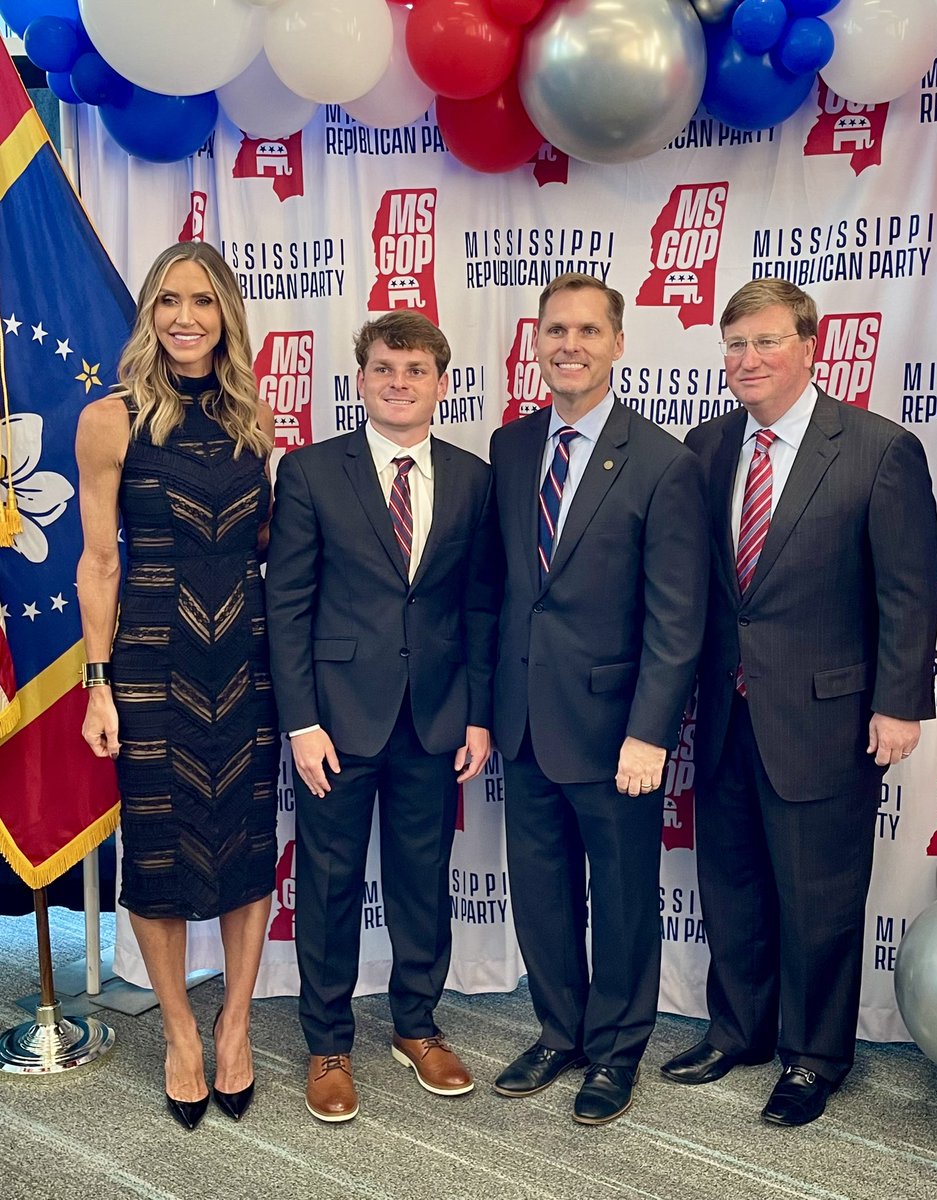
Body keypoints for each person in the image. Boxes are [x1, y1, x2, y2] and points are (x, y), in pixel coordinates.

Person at [661, 278, 937, 1126]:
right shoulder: (704, 448)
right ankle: (738, 1030)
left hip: (827, 716)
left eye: (767, 342)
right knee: (733, 882)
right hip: (726, 714)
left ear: (809, 348)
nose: (747, 360)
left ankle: (815, 1055)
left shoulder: (877, 449)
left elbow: (908, 589)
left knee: (818, 896)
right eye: (734, 344)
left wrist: (899, 705)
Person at [264, 311, 498, 1124]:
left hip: (433, 721)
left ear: (441, 383)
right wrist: (301, 722)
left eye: (417, 370)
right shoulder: (309, 472)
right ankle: (327, 1041)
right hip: (334, 722)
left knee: (421, 883)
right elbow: (286, 605)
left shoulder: (473, 478)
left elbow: (477, 605)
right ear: (361, 379)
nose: (400, 382)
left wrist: (475, 715)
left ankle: (415, 1025)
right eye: (385, 368)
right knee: (327, 884)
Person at [489, 273, 708, 1126]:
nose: (568, 344)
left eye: (587, 330)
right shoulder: (510, 449)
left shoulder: (663, 462)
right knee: (540, 892)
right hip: (523, 724)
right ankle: (560, 1031)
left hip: (618, 733)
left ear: (619, 344)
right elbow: (503, 593)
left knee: (620, 901)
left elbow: (676, 616)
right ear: (534, 342)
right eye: (554, 330)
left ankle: (616, 1051)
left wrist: (650, 732)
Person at [77, 242, 279, 1130]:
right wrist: (95, 683)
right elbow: (96, 561)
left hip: (246, 660)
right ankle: (183, 1034)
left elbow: (264, 550)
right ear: (150, 315)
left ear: (226, 314)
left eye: (202, 300)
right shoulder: (110, 419)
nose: (185, 317)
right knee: (156, 858)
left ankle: (235, 1024)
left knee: (243, 848)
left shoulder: (254, 418)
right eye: (168, 301)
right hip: (150, 663)